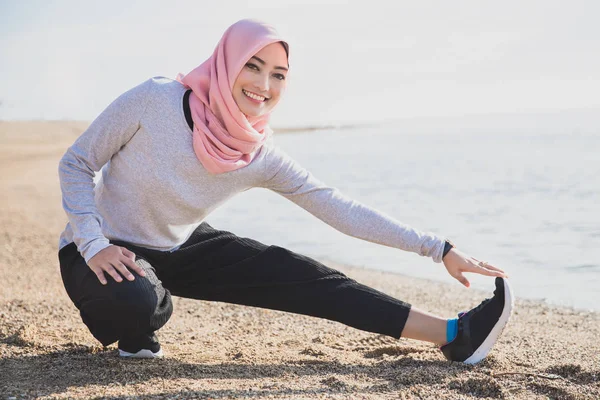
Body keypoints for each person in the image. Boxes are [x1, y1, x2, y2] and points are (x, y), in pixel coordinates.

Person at [57, 19, 513, 364]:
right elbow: (76, 163)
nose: (263, 85)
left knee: (303, 277)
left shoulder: (259, 153)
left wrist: (439, 248)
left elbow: (338, 207)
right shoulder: (154, 101)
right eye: (252, 67)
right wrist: (93, 243)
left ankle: (455, 336)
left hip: (180, 245)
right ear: (226, 63)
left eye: (278, 74)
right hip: (97, 248)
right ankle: (142, 322)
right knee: (134, 301)